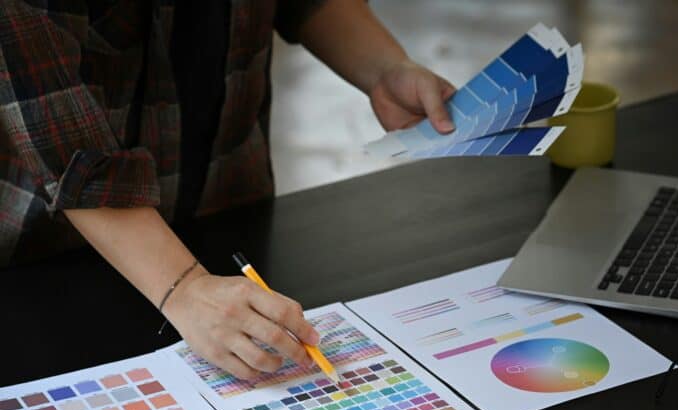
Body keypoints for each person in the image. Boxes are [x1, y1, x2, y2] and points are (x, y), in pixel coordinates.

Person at [0, 1, 456, 379]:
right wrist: (185, 288)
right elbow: (64, 138)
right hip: (52, 263)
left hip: (227, 217)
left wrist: (382, 69)